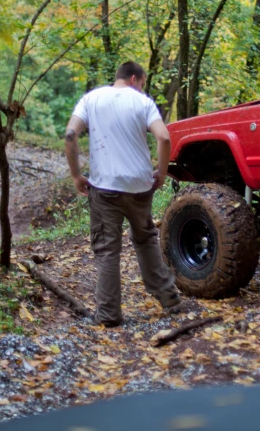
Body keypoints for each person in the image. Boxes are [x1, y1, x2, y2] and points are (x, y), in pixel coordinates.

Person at [65, 61, 182, 327]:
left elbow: (71, 134)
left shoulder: (91, 99)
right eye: (142, 83)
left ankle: (108, 314)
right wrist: (161, 173)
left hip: (105, 188)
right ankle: (169, 297)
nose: (142, 89)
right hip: (140, 186)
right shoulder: (143, 103)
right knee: (145, 238)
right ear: (134, 78)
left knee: (107, 249)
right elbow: (163, 138)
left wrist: (76, 175)